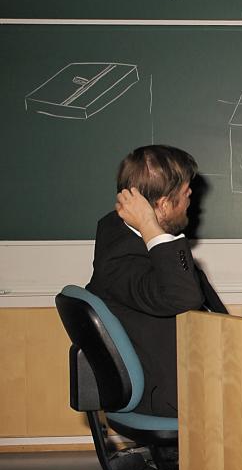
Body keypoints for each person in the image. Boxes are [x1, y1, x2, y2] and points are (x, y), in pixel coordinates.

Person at [87, 145, 226, 417]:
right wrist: (150, 225)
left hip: (204, 365)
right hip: (173, 394)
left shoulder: (128, 239)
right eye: (186, 194)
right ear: (162, 205)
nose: (190, 200)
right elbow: (184, 297)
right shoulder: (120, 261)